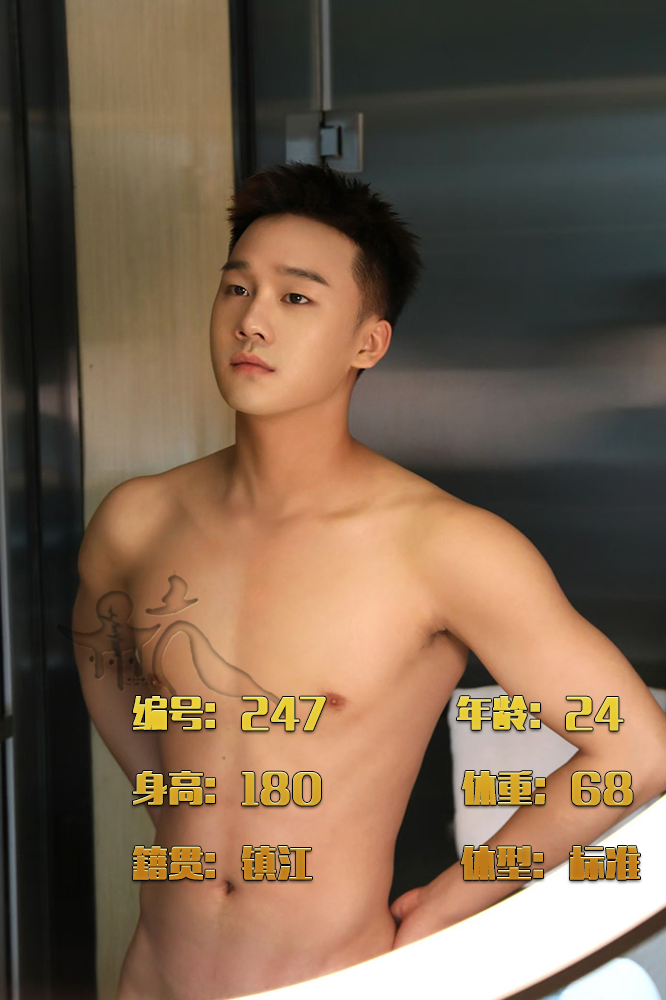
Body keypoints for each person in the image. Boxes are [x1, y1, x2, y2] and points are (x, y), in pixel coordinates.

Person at [68, 161, 666, 1000]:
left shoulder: (442, 546)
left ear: (368, 343)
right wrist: (171, 793)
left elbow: (636, 749)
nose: (252, 321)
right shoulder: (137, 520)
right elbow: (102, 659)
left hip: (336, 981)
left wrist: (458, 899)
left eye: (295, 297)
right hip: (153, 977)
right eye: (236, 288)